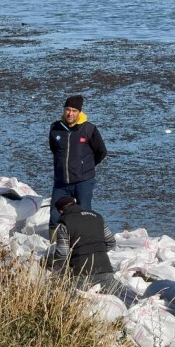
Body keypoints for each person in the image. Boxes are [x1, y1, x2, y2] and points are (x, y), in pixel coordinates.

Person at [48, 94, 107, 241]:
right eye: (68, 109)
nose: (70, 113)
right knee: (55, 214)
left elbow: (101, 152)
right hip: (61, 181)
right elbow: (54, 150)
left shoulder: (89, 129)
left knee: (84, 214)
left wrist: (86, 167)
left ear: (79, 112)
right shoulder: (55, 128)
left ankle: (84, 244)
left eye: (74, 110)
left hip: (83, 181)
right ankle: (54, 246)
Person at [47, 196, 118, 291]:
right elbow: (111, 242)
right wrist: (98, 252)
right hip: (105, 269)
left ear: (60, 211)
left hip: (80, 274)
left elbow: (62, 254)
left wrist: (51, 265)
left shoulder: (64, 223)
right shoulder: (97, 217)